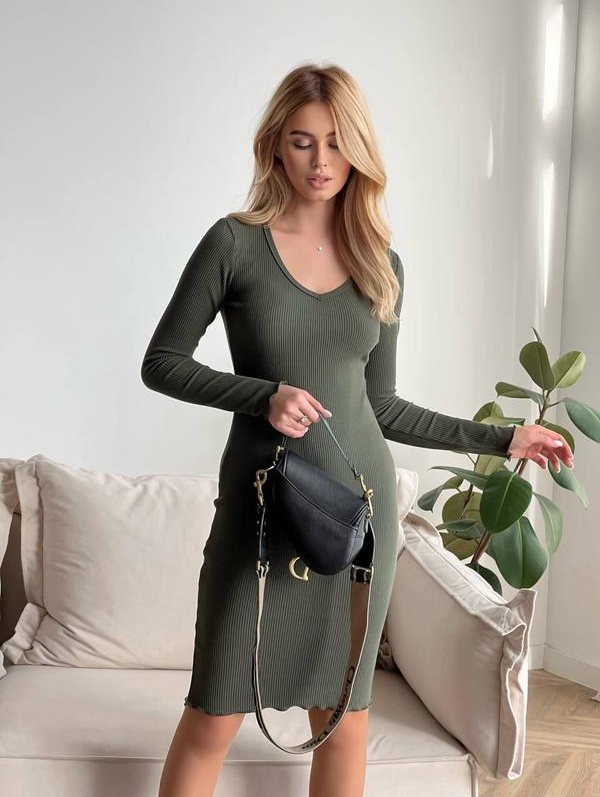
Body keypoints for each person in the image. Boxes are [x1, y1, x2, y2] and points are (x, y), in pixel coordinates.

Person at [141, 62, 574, 797]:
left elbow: (384, 407)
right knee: (214, 713)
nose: (321, 161)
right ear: (275, 146)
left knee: (342, 722)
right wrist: (263, 396)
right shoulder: (233, 244)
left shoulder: (381, 264)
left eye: (338, 143)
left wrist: (505, 439)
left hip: (359, 518)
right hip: (261, 508)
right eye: (302, 141)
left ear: (360, 151)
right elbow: (162, 362)